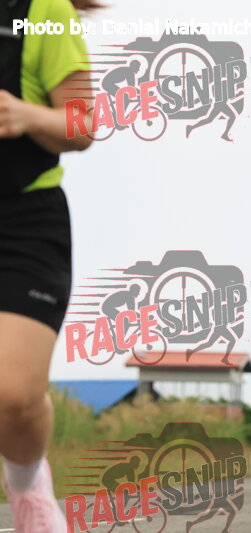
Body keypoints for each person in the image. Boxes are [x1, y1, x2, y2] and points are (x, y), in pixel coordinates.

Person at [0, 0, 96, 530]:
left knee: (13, 395)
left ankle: (27, 483)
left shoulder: (43, 9)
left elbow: (83, 124)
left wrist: (27, 115)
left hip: (23, 222)